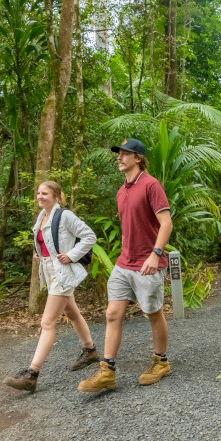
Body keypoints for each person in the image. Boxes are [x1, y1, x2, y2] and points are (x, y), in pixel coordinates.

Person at [79, 138, 173, 392]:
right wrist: (124, 254)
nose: (119, 158)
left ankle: (161, 362)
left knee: (153, 313)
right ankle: (107, 371)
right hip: (124, 263)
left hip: (147, 262)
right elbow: (126, 228)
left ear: (138, 158)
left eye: (125, 154)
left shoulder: (151, 185)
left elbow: (166, 223)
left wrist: (155, 254)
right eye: (119, 154)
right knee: (112, 314)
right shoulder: (122, 190)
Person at [4, 181, 99, 392]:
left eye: (44, 193)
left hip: (62, 273)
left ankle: (32, 374)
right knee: (71, 312)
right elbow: (48, 242)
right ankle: (90, 350)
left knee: (47, 322)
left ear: (55, 196)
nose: (39, 196)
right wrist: (40, 253)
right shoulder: (41, 217)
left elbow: (89, 236)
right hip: (49, 272)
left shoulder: (64, 216)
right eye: (38, 193)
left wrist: (71, 255)